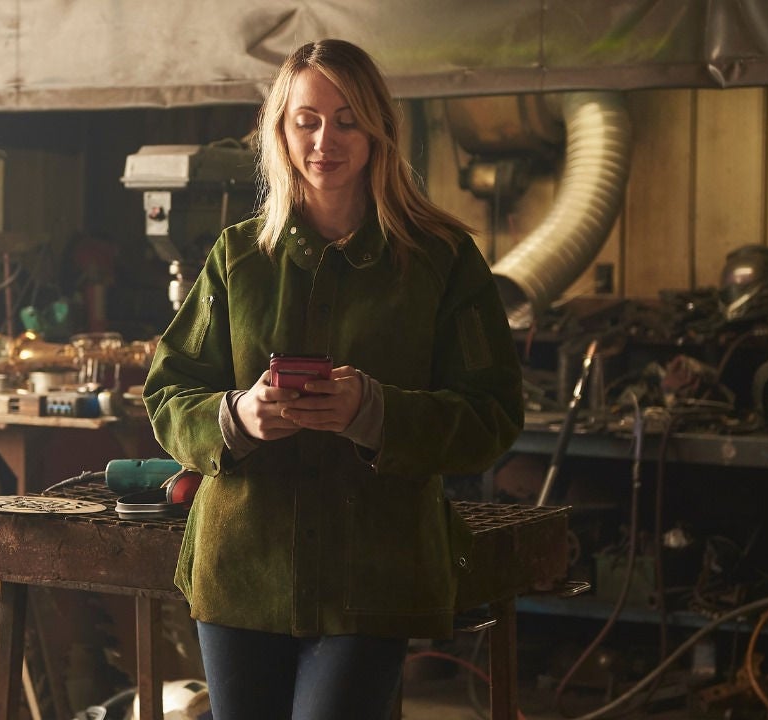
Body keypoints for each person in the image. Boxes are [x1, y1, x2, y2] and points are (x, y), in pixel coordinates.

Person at [143, 38, 524, 720]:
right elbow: (169, 394)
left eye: (348, 119)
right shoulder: (238, 258)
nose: (326, 139)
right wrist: (237, 416)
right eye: (306, 120)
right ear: (281, 131)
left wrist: (373, 413)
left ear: (379, 128)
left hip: (373, 573)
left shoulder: (442, 261)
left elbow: (492, 415)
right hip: (240, 571)